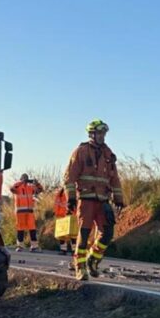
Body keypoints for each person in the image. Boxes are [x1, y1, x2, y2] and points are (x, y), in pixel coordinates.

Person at [64, 119, 124, 280]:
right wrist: (70, 198)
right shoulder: (81, 151)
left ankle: (93, 260)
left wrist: (119, 198)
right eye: (99, 133)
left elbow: (115, 179)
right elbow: (69, 177)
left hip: (103, 201)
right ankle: (80, 267)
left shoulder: (108, 154)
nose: (102, 136)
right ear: (91, 134)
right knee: (83, 236)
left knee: (107, 234)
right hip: (86, 199)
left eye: (103, 133)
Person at [10, 174, 43, 252]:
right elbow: (11, 189)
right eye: (24, 178)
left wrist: (37, 183)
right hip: (20, 212)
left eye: (26, 179)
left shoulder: (30, 188)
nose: (25, 180)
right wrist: (21, 182)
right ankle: (20, 246)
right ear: (21, 179)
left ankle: (34, 246)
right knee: (20, 229)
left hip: (30, 212)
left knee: (32, 229)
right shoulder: (17, 188)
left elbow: (40, 190)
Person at [53, 187, 74, 255]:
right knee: (62, 235)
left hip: (71, 216)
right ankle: (63, 249)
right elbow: (56, 204)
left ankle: (74, 250)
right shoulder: (60, 193)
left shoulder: (73, 193)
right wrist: (57, 214)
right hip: (61, 216)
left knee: (73, 234)